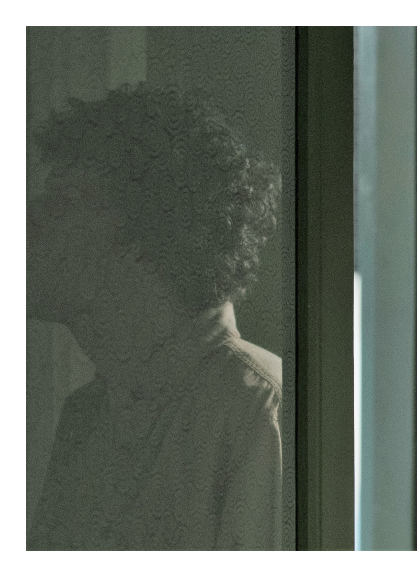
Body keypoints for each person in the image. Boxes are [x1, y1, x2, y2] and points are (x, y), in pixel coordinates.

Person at [26, 85, 283, 550]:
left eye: (61, 203)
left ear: (146, 235)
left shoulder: (257, 411)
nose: (32, 219)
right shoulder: (84, 419)